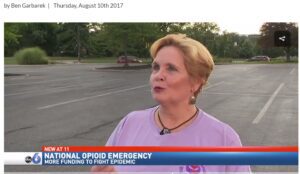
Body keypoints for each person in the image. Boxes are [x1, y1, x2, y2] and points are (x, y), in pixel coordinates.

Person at [91, 34, 251, 173]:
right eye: (156, 67)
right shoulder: (130, 123)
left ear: (196, 82)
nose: (158, 75)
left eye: (171, 69)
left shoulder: (224, 139)